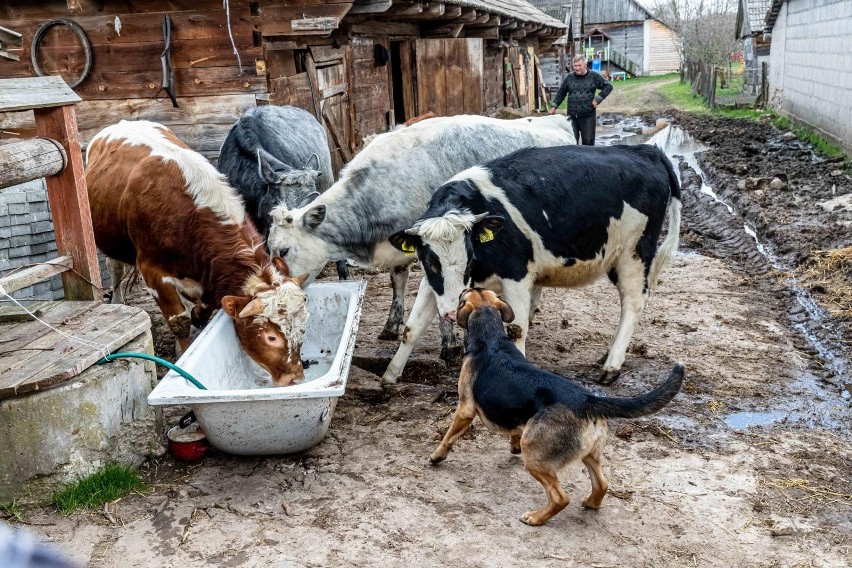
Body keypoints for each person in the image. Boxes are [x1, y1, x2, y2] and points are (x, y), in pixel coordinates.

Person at [548, 54, 613, 146]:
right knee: (572, 144)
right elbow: (561, 93)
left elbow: (608, 86)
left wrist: (597, 99)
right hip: (572, 116)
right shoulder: (569, 77)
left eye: (579, 66)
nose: (577, 68)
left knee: (588, 144)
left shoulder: (593, 76)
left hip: (588, 117)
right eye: (575, 66)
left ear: (585, 65)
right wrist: (554, 106)